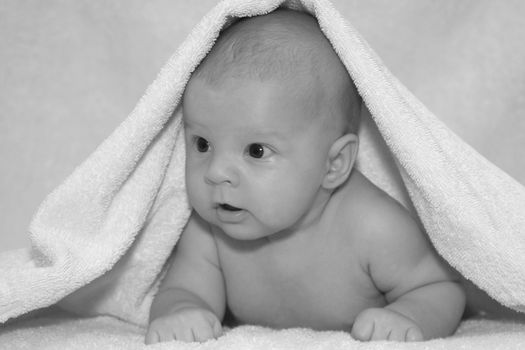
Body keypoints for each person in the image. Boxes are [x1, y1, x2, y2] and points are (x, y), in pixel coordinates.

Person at [145, 9, 465, 344]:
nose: (215, 172)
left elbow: (439, 287)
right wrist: (179, 313)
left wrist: (408, 317)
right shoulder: (211, 232)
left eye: (256, 151)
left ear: (334, 164)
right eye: (202, 144)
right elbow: (183, 291)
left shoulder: (373, 227)